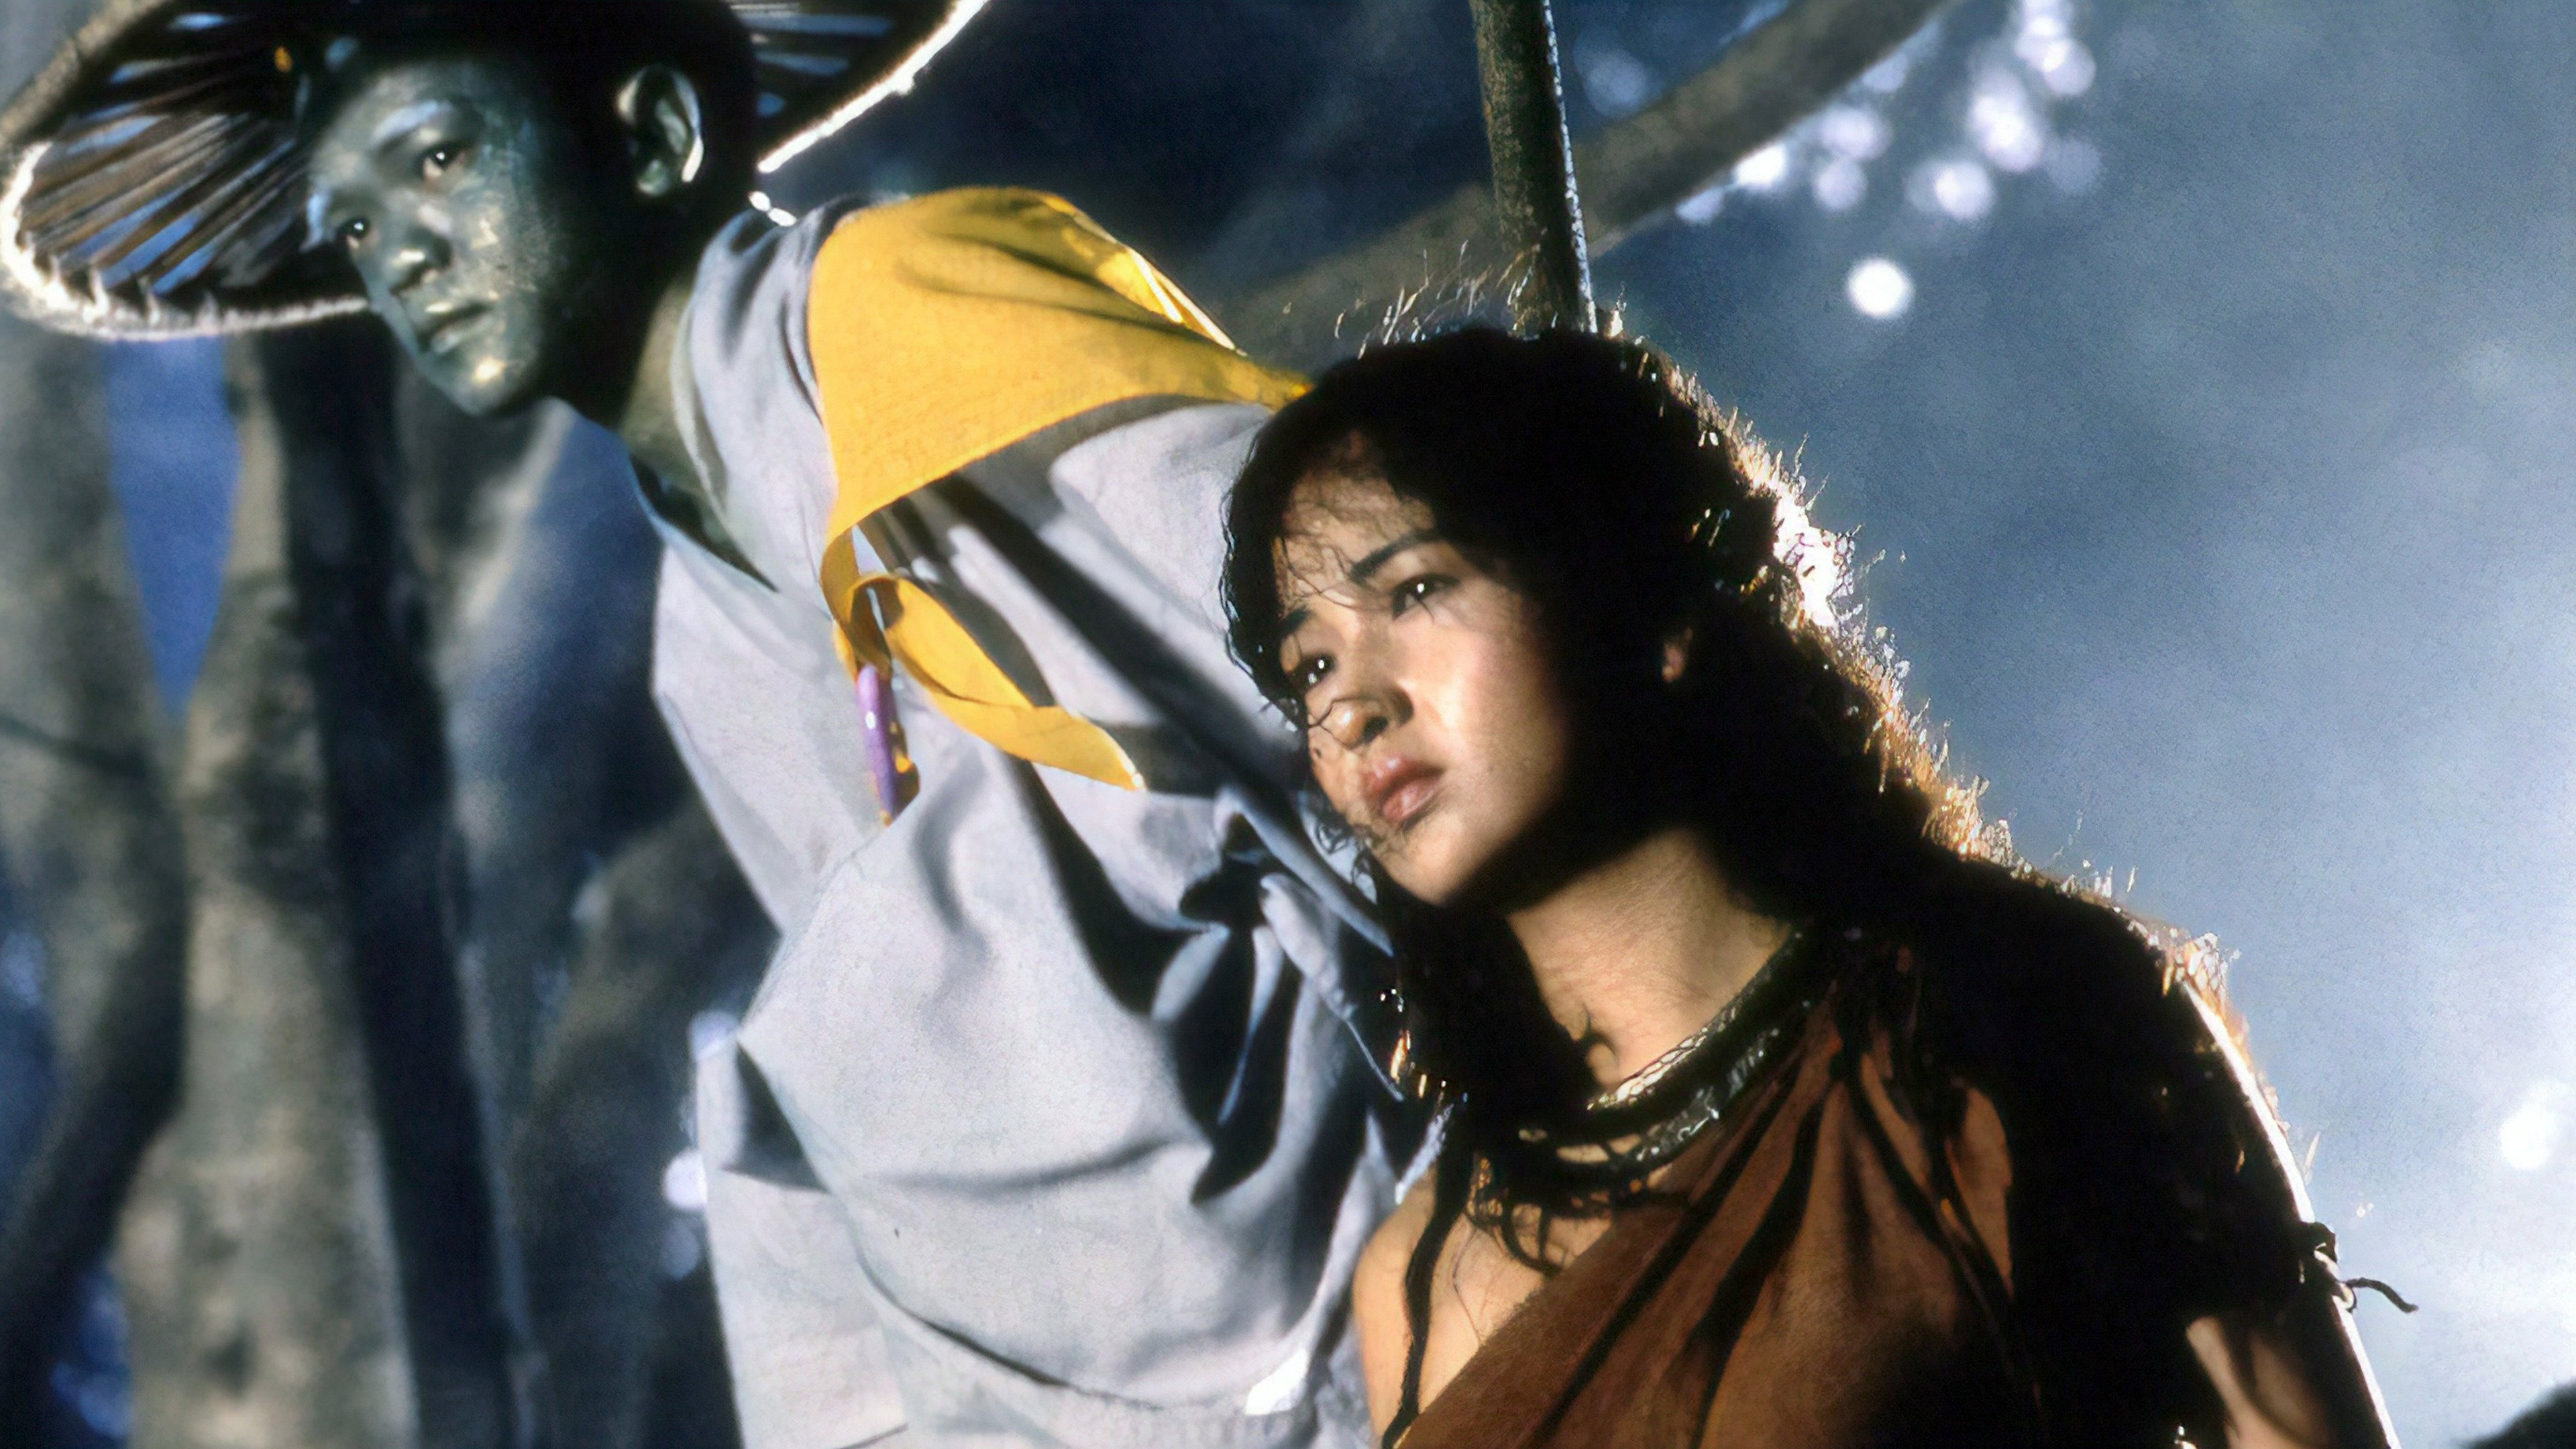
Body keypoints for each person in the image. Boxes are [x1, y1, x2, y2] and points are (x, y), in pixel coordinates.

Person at [1, 5, 1405, 1447]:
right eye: (354, 228)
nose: (401, 256)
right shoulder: (701, 626)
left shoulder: (903, 307)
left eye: (437, 160)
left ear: (656, 134)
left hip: (1371, 1273)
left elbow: (1375, 659)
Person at [1220, 327, 2402, 1448]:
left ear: (1650, 606)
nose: (1350, 704)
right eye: (1309, 661)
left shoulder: (2010, 1008)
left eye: (1415, 592)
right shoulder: (1424, 1274)